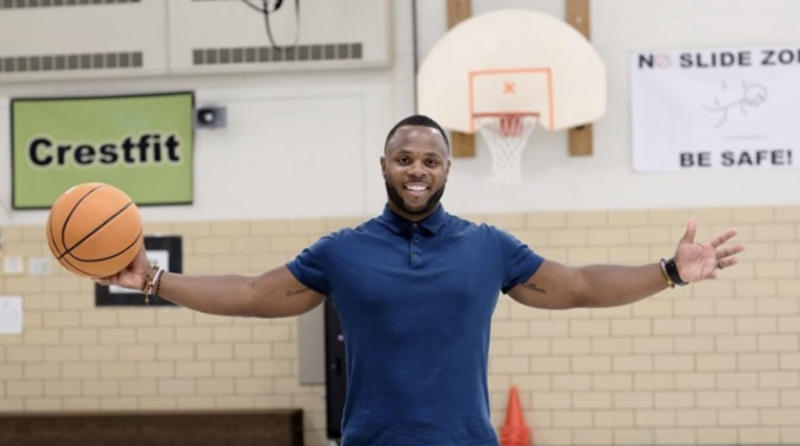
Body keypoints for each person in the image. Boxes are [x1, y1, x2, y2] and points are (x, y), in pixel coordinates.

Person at [99, 114, 745, 446]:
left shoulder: (487, 247)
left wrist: (668, 273)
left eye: (430, 160)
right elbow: (248, 293)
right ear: (385, 164)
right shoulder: (342, 253)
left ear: (445, 170)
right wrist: (154, 278)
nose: (417, 170)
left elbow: (575, 284)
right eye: (405, 158)